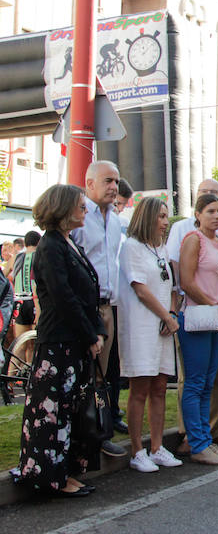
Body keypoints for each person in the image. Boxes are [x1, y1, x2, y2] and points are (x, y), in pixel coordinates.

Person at [10, 185, 105, 497]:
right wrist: (91, 334)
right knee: (53, 413)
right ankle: (52, 477)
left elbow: (86, 292)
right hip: (59, 343)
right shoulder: (50, 247)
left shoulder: (68, 243)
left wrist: (95, 331)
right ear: (64, 210)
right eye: (80, 206)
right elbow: (64, 298)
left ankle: (66, 472)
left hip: (73, 341)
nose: (85, 210)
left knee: (70, 410)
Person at [168, 179, 218, 453]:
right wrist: (213, 304)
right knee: (195, 381)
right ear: (197, 214)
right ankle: (195, 441)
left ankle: (207, 436)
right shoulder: (190, 238)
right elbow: (185, 281)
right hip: (198, 317)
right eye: (210, 211)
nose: (217, 216)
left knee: (212, 379)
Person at [117, 196, 183, 473]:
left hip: (162, 326)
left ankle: (157, 447)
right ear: (148, 218)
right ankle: (137, 450)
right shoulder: (131, 247)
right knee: (140, 388)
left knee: (159, 387)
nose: (166, 222)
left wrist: (171, 314)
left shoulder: (161, 249)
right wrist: (166, 316)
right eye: (162, 216)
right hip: (142, 326)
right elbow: (140, 289)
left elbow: (169, 287)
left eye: (167, 216)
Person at [70, 160, 127, 458]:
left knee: (103, 376)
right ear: (89, 183)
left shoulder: (115, 220)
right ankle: (79, 438)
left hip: (108, 307)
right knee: (82, 375)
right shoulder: (79, 217)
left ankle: (99, 432)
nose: (113, 187)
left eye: (116, 181)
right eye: (107, 181)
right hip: (84, 309)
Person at [11, 231, 41, 367]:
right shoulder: (40, 256)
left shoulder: (17, 257)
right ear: (38, 242)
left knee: (20, 344)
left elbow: (6, 275)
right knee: (34, 344)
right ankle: (30, 378)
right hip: (35, 301)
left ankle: (9, 383)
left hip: (19, 301)